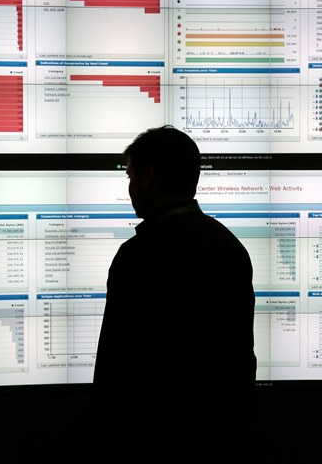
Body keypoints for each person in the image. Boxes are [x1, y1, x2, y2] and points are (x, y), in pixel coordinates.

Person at [92, 125, 257, 460]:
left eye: (131, 175)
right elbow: (240, 360)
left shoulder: (139, 255)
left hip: (150, 441)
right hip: (218, 439)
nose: (130, 187)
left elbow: (116, 367)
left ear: (148, 176)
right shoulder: (230, 246)